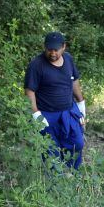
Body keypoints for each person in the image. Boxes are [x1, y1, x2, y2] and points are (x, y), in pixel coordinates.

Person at [24, 32, 86, 170]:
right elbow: (29, 91)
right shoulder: (36, 65)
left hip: (69, 111)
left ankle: (72, 174)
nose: (52, 53)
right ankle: (55, 182)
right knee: (51, 151)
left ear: (64, 47)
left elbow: (74, 80)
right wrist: (36, 114)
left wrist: (81, 103)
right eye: (49, 49)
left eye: (56, 50)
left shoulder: (68, 59)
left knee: (77, 143)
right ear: (44, 47)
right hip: (47, 114)